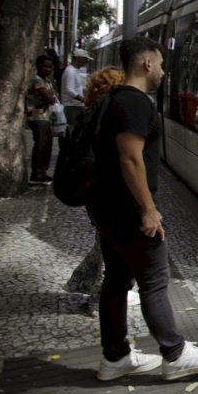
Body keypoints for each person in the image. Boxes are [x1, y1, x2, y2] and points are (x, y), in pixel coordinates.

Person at [90, 36, 198, 381]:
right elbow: (130, 159)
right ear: (147, 63)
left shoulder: (113, 101)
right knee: (153, 280)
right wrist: (148, 209)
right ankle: (175, 353)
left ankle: (115, 357)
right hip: (128, 209)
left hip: (107, 208)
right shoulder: (135, 103)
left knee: (117, 280)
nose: (164, 71)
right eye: (162, 64)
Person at [63, 67, 140, 315]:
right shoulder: (110, 120)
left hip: (94, 195)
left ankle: (96, 288)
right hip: (111, 194)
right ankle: (102, 295)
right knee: (113, 246)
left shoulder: (89, 116)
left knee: (105, 242)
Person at [26, 54, 59, 185]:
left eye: (50, 67)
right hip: (37, 116)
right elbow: (50, 98)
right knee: (41, 145)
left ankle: (42, 172)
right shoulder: (37, 80)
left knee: (46, 145)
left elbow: (54, 97)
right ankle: (37, 173)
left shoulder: (47, 81)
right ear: (38, 66)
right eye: (45, 66)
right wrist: (51, 96)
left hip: (46, 117)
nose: (48, 69)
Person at [61, 48, 93, 127]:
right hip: (72, 107)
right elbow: (69, 90)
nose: (86, 61)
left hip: (76, 106)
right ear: (78, 58)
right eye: (85, 59)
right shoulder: (70, 71)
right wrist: (83, 99)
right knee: (73, 130)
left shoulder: (74, 71)